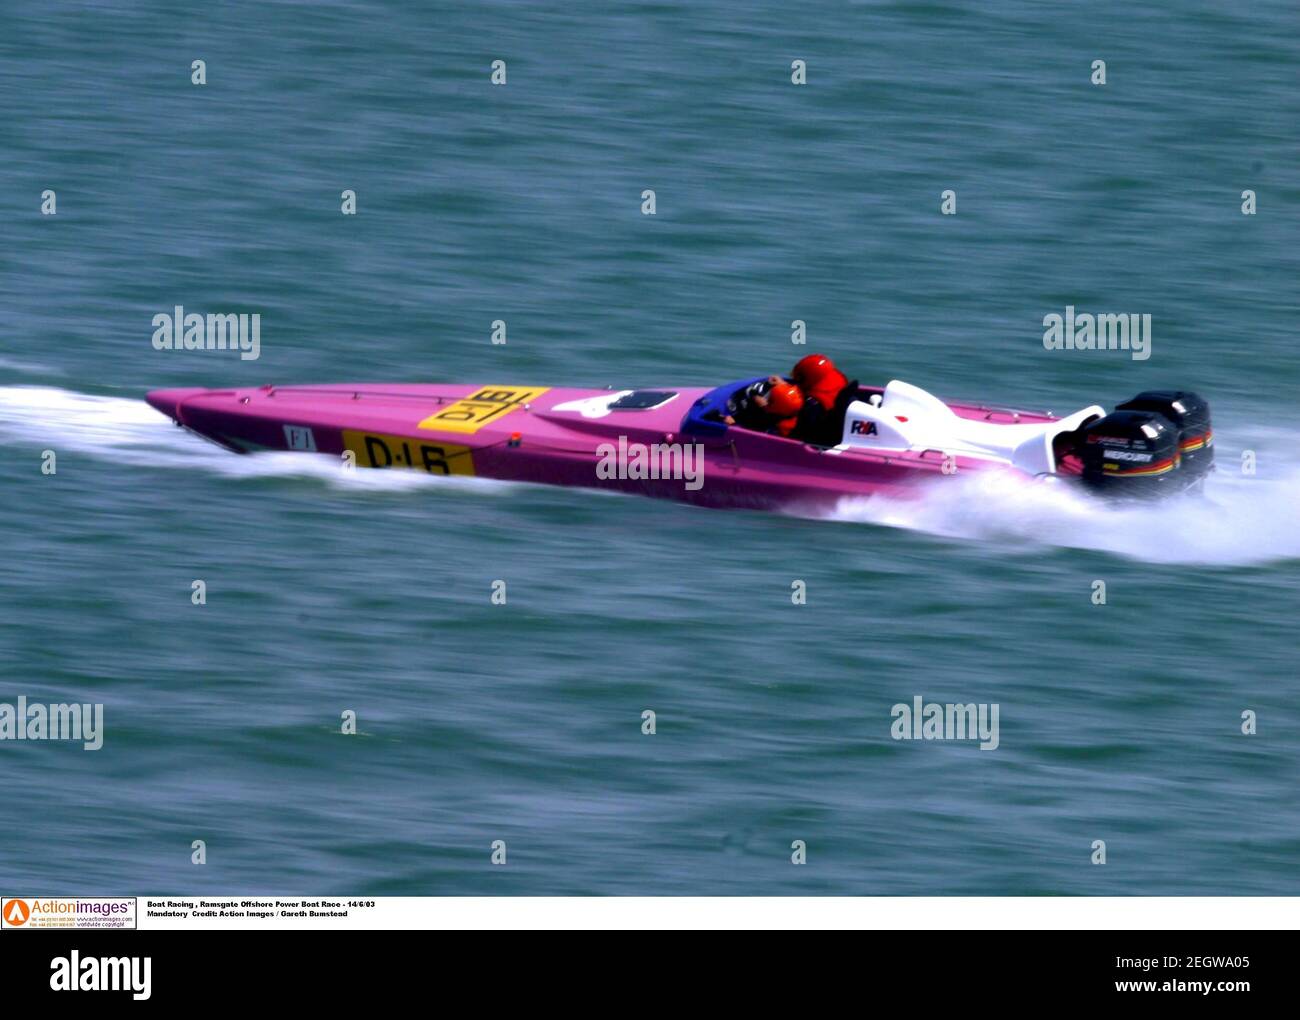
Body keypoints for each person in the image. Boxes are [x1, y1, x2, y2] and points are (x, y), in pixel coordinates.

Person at [724, 376, 806, 436]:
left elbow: (749, 425)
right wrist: (782, 385)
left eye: (770, 399)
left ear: (774, 406)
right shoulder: (794, 412)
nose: (765, 398)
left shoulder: (764, 420)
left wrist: (732, 422)